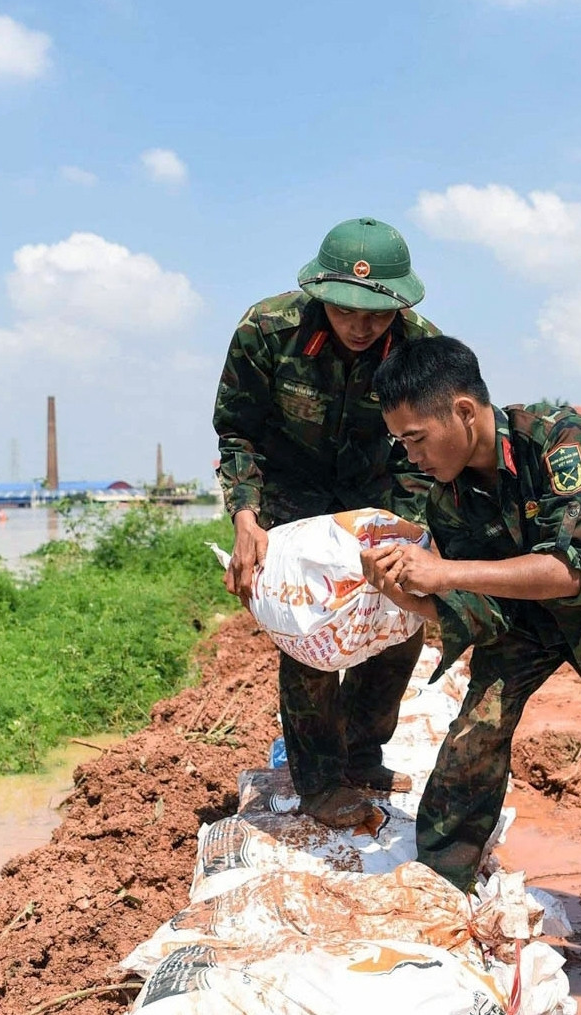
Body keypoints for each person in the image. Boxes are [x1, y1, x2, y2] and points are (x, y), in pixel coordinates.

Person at [358, 336, 581, 984]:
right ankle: (442, 888)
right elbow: (477, 612)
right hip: (525, 618)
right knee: (475, 731)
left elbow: (563, 570)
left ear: (464, 412)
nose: (407, 453)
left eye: (415, 437)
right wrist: (402, 593)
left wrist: (438, 570)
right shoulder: (436, 485)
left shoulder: (560, 440)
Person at [214, 217, 439, 829]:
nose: (362, 327)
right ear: (320, 294)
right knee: (312, 628)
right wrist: (245, 515)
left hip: (379, 491)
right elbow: (237, 431)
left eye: (377, 313)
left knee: (399, 619)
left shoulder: (421, 349)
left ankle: (363, 754)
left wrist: (411, 528)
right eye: (346, 311)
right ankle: (318, 782)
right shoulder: (267, 332)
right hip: (290, 494)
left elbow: (429, 444)